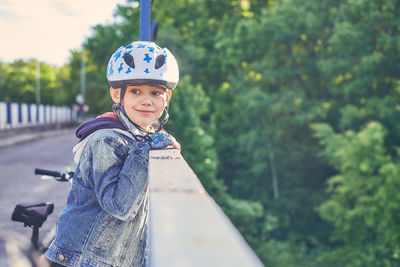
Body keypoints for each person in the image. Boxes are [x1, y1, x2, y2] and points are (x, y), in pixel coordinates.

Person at [45, 41, 180, 267]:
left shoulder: (141, 136)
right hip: (78, 261)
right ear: (117, 94)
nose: (147, 100)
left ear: (166, 99)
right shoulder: (106, 140)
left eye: (156, 93)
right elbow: (120, 207)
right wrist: (151, 146)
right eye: (136, 91)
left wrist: (157, 140)